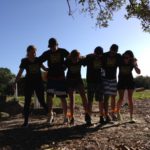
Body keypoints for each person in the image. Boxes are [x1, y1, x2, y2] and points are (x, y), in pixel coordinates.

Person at [14, 45, 48, 127]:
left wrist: (55, 69)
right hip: (29, 83)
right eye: (32, 52)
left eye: (35, 52)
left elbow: (45, 69)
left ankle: (50, 114)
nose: (34, 53)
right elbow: (20, 73)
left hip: (39, 83)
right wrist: (15, 82)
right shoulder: (24, 61)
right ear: (28, 52)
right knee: (27, 102)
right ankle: (26, 122)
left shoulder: (38, 60)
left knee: (42, 101)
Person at [38, 38, 69, 125]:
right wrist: (44, 68)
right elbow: (38, 60)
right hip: (50, 77)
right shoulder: (47, 53)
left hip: (60, 77)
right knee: (49, 97)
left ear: (57, 44)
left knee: (63, 97)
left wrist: (65, 66)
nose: (52, 48)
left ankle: (65, 117)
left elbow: (70, 58)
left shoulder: (63, 51)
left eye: (53, 46)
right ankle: (50, 116)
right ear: (49, 46)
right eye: (51, 46)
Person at [65, 50, 91, 125]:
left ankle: (87, 115)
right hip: (69, 80)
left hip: (78, 80)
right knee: (71, 99)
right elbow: (62, 67)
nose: (75, 61)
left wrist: (92, 54)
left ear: (78, 57)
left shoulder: (81, 59)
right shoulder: (67, 61)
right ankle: (72, 117)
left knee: (84, 96)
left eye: (76, 59)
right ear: (71, 57)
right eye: (73, 59)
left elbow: (87, 57)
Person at [116, 50, 141, 122]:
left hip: (130, 81)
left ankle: (131, 117)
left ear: (130, 58)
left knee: (130, 99)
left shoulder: (132, 61)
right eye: (124, 57)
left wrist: (135, 65)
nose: (126, 59)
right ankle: (118, 112)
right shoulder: (120, 60)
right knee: (120, 98)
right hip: (121, 81)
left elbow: (138, 72)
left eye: (127, 57)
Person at [84, 46, 104, 124]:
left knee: (100, 100)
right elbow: (82, 62)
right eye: (96, 54)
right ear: (94, 52)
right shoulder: (89, 57)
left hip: (99, 81)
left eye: (99, 55)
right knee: (90, 100)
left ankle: (101, 117)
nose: (98, 56)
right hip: (91, 82)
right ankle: (88, 117)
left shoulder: (103, 58)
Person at [103, 44, 121, 122]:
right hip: (105, 79)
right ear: (110, 49)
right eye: (112, 51)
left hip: (113, 79)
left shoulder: (118, 56)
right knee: (106, 97)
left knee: (113, 96)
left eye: (115, 52)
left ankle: (113, 113)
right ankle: (106, 115)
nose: (113, 53)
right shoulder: (104, 55)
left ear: (117, 51)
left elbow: (128, 58)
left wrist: (134, 60)